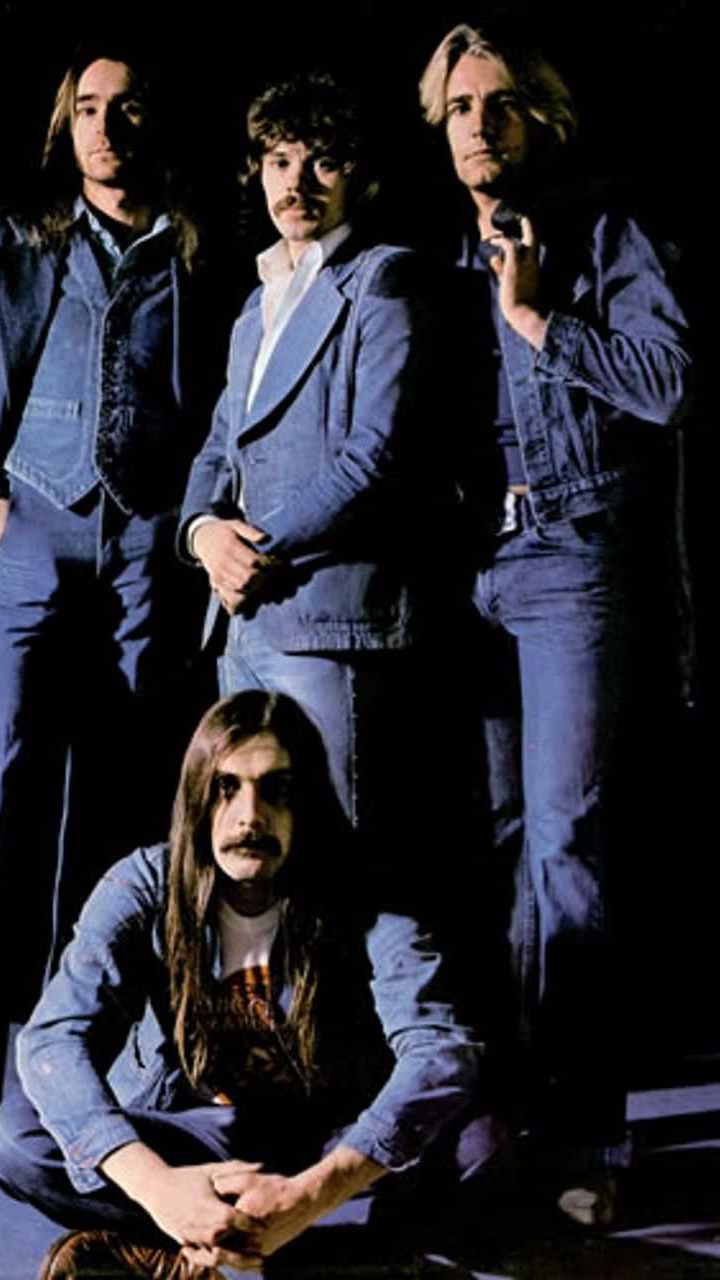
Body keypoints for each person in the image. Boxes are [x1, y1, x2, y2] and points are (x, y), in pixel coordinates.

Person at [0, 42, 221, 1163]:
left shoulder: (201, 251)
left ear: (157, 125)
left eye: (128, 107)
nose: (108, 126)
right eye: (89, 108)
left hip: (148, 551)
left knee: (128, 813)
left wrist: (187, 525)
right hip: (29, 534)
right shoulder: (11, 240)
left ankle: (103, 1075)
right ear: (67, 129)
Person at [417, 22, 694, 1222]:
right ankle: (497, 1123)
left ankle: (584, 1135)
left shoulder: (603, 232)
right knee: (494, 845)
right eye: (458, 106)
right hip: (470, 569)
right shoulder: (433, 252)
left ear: (542, 119)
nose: (478, 124)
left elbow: (667, 383)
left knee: (565, 844)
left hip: (572, 551)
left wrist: (538, 320)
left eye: (499, 103)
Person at [0, 690, 496, 1279]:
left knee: (479, 1145)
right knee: (16, 1138)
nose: (250, 816)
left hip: (323, 1133)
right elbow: (53, 1040)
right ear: (197, 798)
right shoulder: (145, 884)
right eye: (227, 787)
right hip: (193, 1132)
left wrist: (313, 1193)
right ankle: (312, 1256)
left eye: (276, 789)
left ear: (306, 802)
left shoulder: (364, 888)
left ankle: (206, 1252)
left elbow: (439, 1049)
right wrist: (158, 1187)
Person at [179, 72, 444, 838]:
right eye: (279, 162)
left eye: (323, 162)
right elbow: (218, 449)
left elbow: (374, 457)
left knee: (341, 849)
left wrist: (253, 553)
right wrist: (204, 534)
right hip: (240, 622)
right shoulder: (254, 305)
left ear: (359, 177)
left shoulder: (383, 278)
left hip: (326, 615)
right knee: (259, 854)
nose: (296, 184)